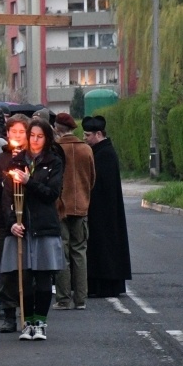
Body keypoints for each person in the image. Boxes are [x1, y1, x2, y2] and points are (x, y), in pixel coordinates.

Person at [0, 117, 65, 341]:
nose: (35, 140)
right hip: (22, 226)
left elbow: (51, 194)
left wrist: (29, 182)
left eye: (40, 136)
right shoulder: (16, 161)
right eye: (32, 136)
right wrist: (11, 223)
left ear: (47, 139)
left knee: (43, 277)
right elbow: (6, 196)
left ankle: (41, 322)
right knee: (24, 277)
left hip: (44, 225)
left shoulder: (54, 162)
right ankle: (27, 322)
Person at [0, 113, 30, 333]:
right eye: (14, 132)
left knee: (29, 268)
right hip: (4, 222)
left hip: (29, 220)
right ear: (7, 133)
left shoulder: (34, 157)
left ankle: (29, 311)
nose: (18, 136)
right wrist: (5, 182)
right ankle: (9, 312)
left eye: (22, 132)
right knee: (7, 268)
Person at [82, 115, 132, 297]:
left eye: (87, 135)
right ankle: (99, 285)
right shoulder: (100, 152)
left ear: (98, 134)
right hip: (100, 209)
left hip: (104, 212)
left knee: (105, 248)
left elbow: (100, 184)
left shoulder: (105, 154)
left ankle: (105, 285)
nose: (85, 138)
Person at [53, 112, 96, 311]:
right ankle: (81, 299)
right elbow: (92, 178)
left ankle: (63, 298)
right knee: (80, 251)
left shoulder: (54, 149)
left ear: (57, 129)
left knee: (62, 251)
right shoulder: (86, 149)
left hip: (60, 206)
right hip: (81, 206)